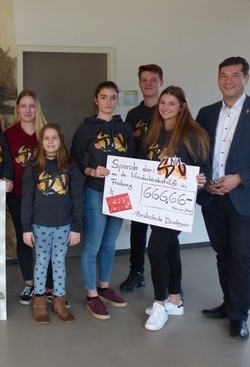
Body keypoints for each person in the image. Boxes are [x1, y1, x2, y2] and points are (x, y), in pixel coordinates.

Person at [195, 56, 250, 340]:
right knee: (223, 254)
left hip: (246, 197)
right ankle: (228, 303)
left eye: (234, 75)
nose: (228, 81)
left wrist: (239, 178)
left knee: (242, 256)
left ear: (246, 78)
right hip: (213, 198)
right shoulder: (206, 113)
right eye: (223, 75)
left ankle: (239, 315)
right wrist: (206, 179)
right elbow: (199, 153)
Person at [139, 86, 210, 331]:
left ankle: (159, 305)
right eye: (163, 103)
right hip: (154, 202)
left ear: (182, 106)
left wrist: (202, 179)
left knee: (155, 249)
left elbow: (204, 167)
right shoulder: (154, 132)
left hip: (177, 205)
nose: (166, 107)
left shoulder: (193, 133)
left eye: (172, 103)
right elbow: (144, 166)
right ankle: (175, 301)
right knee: (169, 248)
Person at [70, 81, 133, 320]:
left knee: (109, 244)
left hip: (120, 193)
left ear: (117, 100)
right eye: (104, 97)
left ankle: (104, 287)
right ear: (96, 100)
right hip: (95, 191)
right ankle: (92, 295)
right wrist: (91, 171)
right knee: (92, 245)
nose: (108, 101)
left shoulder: (125, 128)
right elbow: (74, 160)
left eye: (113, 97)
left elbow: (134, 160)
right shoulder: (85, 129)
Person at [21, 123, 83, 324]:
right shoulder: (33, 166)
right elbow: (27, 199)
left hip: (64, 226)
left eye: (54, 138)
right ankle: (39, 303)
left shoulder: (70, 166)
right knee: (41, 262)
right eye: (46, 138)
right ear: (41, 142)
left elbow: (77, 198)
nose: (50, 142)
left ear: (61, 141)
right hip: (39, 225)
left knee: (59, 263)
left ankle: (59, 302)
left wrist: (76, 227)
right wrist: (26, 228)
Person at [120, 64, 164, 293]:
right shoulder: (133, 115)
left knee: (164, 234)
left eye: (153, 79)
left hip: (164, 182)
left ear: (160, 82)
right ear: (139, 83)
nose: (148, 84)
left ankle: (169, 281)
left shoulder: (168, 111)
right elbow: (127, 149)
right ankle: (136, 272)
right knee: (137, 230)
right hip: (138, 182)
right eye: (144, 80)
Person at [4, 89, 48, 306]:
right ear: (18, 109)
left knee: (45, 241)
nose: (28, 110)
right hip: (18, 196)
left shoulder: (46, 132)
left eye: (32, 106)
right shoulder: (9, 135)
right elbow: (5, 164)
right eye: (23, 106)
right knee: (25, 239)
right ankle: (30, 284)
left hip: (45, 198)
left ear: (37, 108)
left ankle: (49, 287)